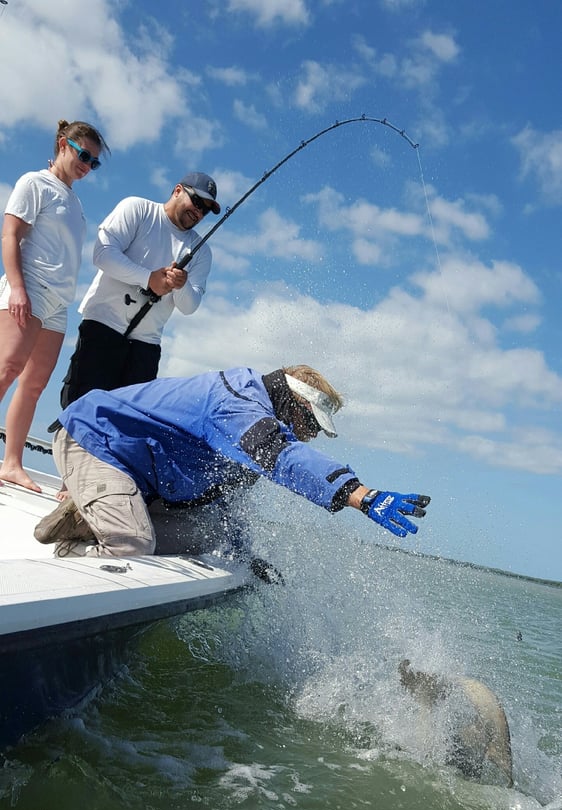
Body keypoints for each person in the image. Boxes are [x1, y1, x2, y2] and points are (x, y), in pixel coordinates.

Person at [34, 364, 431, 560]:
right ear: (292, 402)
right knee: (133, 543)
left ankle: (89, 519)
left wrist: (247, 557)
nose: (308, 435)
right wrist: (361, 495)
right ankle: (74, 559)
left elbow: (224, 503)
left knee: (210, 537)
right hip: (95, 441)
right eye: (309, 424)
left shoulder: (249, 437)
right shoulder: (237, 406)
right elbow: (283, 458)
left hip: (138, 473)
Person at [0, 118, 109, 492]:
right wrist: (16, 288)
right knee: (7, 368)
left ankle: (11, 463)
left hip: (58, 304)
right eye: (84, 155)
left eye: (94, 163)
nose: (87, 166)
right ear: (63, 144)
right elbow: (10, 234)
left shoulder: (75, 202)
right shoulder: (35, 183)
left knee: (33, 385)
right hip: (28, 287)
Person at [58, 171, 220, 409]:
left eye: (205, 210)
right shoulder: (138, 208)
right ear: (177, 190)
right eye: (196, 201)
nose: (198, 211)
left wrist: (180, 284)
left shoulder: (202, 252)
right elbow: (102, 254)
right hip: (103, 327)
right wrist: (149, 279)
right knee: (81, 410)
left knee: (129, 426)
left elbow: (189, 306)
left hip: (146, 347)